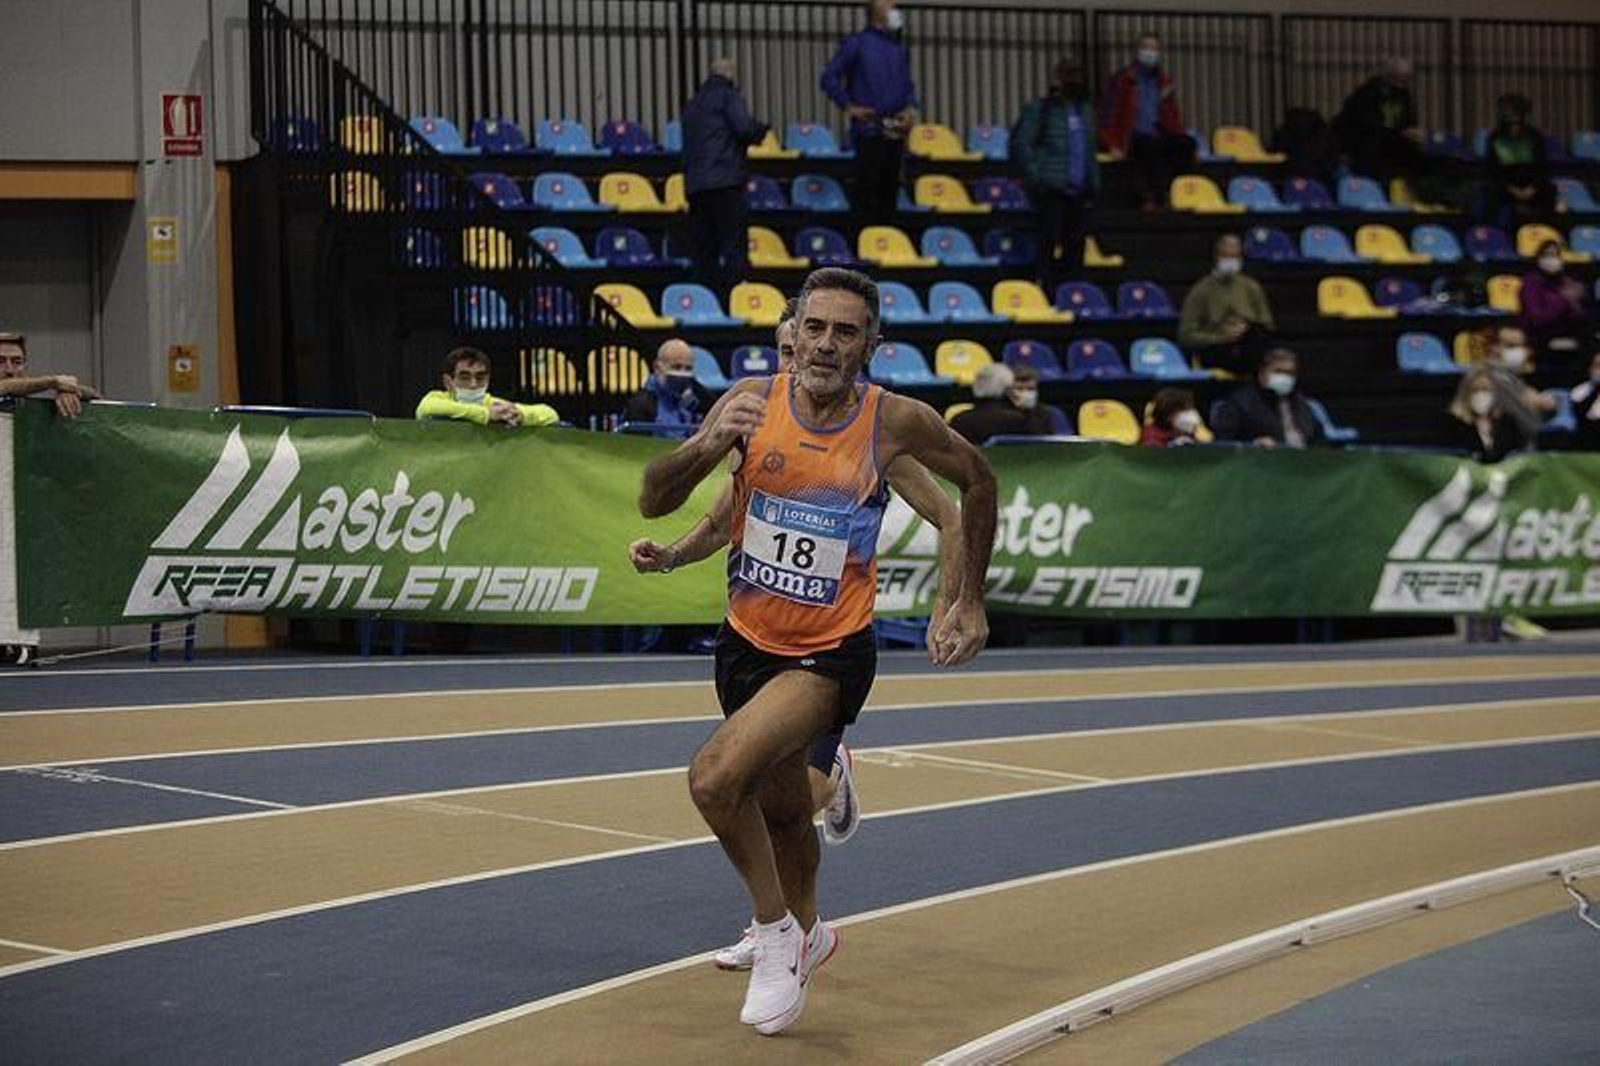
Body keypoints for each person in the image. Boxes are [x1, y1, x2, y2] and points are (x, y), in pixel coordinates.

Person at [637, 266, 997, 1035]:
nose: (828, 344)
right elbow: (665, 500)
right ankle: (810, 925)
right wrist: (700, 454)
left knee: (714, 780)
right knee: (786, 812)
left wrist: (962, 598)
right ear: (791, 334)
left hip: (829, 654)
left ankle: (777, 937)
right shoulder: (750, 407)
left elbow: (974, 488)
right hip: (744, 646)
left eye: (847, 331)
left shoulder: (891, 424)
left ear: (871, 344)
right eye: (816, 328)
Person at [821, 0, 918, 225]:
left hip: (895, 130)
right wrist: (849, 105)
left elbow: (907, 85)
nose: (894, 5)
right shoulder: (857, 44)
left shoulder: (899, 49)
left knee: (890, 193)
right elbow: (829, 77)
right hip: (869, 128)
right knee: (866, 192)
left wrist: (910, 109)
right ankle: (864, 246)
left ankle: (885, 245)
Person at [681, 57, 769, 294]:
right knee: (733, 244)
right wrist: (762, 129)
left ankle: (708, 299)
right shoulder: (728, 97)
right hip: (725, 179)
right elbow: (744, 128)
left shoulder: (693, 103)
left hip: (696, 184)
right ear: (730, 74)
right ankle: (736, 297)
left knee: (705, 248)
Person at [1012, 58, 1099, 284]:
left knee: (1076, 245)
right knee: (1047, 241)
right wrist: (1037, 177)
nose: (1074, 80)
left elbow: (1090, 149)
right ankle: (1046, 290)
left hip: (1080, 191)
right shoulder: (1041, 109)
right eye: (1069, 75)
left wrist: (1094, 182)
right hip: (1051, 189)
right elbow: (1021, 144)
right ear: (1057, 78)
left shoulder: (1086, 111)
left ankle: (1071, 292)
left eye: (1078, 75)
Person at [1099, 33, 1196, 210]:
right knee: (1150, 146)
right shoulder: (1123, 80)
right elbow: (1108, 115)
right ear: (1137, 51)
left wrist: (1179, 133)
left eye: (1154, 48)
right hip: (1131, 136)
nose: (1150, 52)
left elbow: (1172, 115)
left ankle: (1175, 191)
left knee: (1186, 144)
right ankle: (1154, 197)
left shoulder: (1164, 82)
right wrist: (1112, 144)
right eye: (1146, 47)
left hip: (1158, 133)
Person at [1178, 234, 1276, 374]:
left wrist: (1245, 328)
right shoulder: (1200, 290)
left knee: (1259, 341)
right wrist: (1221, 338)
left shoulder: (1252, 287)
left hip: (1247, 345)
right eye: (1226, 256)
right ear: (1216, 257)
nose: (1231, 261)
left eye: (1235, 256)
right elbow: (1186, 336)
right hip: (1216, 348)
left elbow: (1267, 324)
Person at [1333, 55, 1425, 183]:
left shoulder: (1403, 94)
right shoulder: (1368, 93)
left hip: (1393, 146)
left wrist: (1412, 131)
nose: (1404, 83)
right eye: (1400, 78)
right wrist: (1400, 133)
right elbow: (1364, 125)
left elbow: (1407, 119)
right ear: (1389, 75)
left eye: (1407, 79)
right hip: (1369, 149)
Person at [1211, 348, 1326, 448]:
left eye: (1290, 373)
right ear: (1262, 373)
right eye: (1278, 371)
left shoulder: (1299, 400)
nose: (1285, 377)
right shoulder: (1241, 403)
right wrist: (1253, 444)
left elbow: (1318, 438)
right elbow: (1224, 443)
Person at [415, 347, 558, 427]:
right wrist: (486, 415)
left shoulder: (496, 405)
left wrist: (520, 415)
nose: (473, 384)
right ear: (448, 382)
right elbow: (425, 408)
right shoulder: (437, 398)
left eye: (480, 377)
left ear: (488, 379)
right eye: (464, 377)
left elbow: (550, 414)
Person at [1482, 93, 1555, 231]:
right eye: (1507, 112)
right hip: (1506, 186)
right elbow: (1492, 169)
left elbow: (1542, 167)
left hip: (1530, 185)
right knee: (1490, 192)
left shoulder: (1534, 136)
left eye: (1515, 112)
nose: (1511, 117)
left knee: (1549, 190)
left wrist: (1532, 188)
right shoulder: (1495, 137)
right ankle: (1491, 234)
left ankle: (1547, 232)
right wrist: (1512, 189)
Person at [1475, 325, 1558, 440]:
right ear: (1493, 348)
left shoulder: (1509, 376)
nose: (1524, 352)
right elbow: (1528, 423)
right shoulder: (1488, 378)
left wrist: (1545, 404)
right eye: (1511, 346)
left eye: (1523, 346)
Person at [1518, 239, 1592, 359]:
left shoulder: (1566, 282)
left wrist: (1577, 303)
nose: (1551, 260)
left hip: (1567, 333)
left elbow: (1579, 315)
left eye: (1555, 255)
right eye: (1547, 255)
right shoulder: (1531, 282)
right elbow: (1537, 318)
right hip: (1540, 336)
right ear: (1539, 258)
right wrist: (1565, 300)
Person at [0, 331, 100, 419]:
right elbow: (5, 386)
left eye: (17, 362)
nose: (9, 370)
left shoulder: (31, 393)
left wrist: (68, 391)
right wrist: (52, 382)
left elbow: (95, 395)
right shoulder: (45, 384)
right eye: (0, 361)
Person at [950, 362, 1054, 445]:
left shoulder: (958, 419)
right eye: (1019, 388)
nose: (1024, 393)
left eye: (1030, 389)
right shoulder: (1017, 421)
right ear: (1007, 390)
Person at [625, 338, 715, 428]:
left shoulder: (698, 398)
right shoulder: (640, 404)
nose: (682, 374)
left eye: (688, 368)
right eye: (676, 367)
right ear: (657, 367)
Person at [1445, 367, 1527, 462]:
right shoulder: (1453, 423)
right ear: (1465, 393)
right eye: (1475, 390)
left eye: (1486, 389)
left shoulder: (1508, 422)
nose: (1481, 395)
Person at [1568, 350, 1600, 451]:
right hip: (1589, 437)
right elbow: (1582, 416)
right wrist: (1596, 389)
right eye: (1598, 366)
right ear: (1590, 368)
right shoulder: (1580, 391)